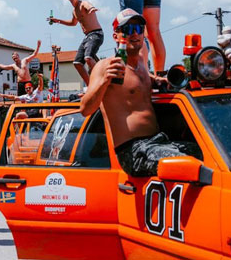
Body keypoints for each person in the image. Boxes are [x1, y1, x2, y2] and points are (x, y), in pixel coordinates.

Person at [80, 9, 199, 177]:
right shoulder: (105, 66)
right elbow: (85, 109)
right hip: (132, 150)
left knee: (203, 153)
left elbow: (137, 85)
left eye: (138, 29)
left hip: (157, 142)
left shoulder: (142, 67)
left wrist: (157, 81)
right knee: (188, 164)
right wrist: (104, 81)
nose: (134, 34)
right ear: (116, 36)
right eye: (128, 29)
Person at [48, 0, 103, 84]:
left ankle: (102, 78)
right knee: (77, 63)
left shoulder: (83, 4)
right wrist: (58, 21)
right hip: (87, 37)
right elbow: (73, 23)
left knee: (88, 58)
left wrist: (91, 9)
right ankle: (91, 85)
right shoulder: (74, 11)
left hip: (96, 34)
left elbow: (89, 6)